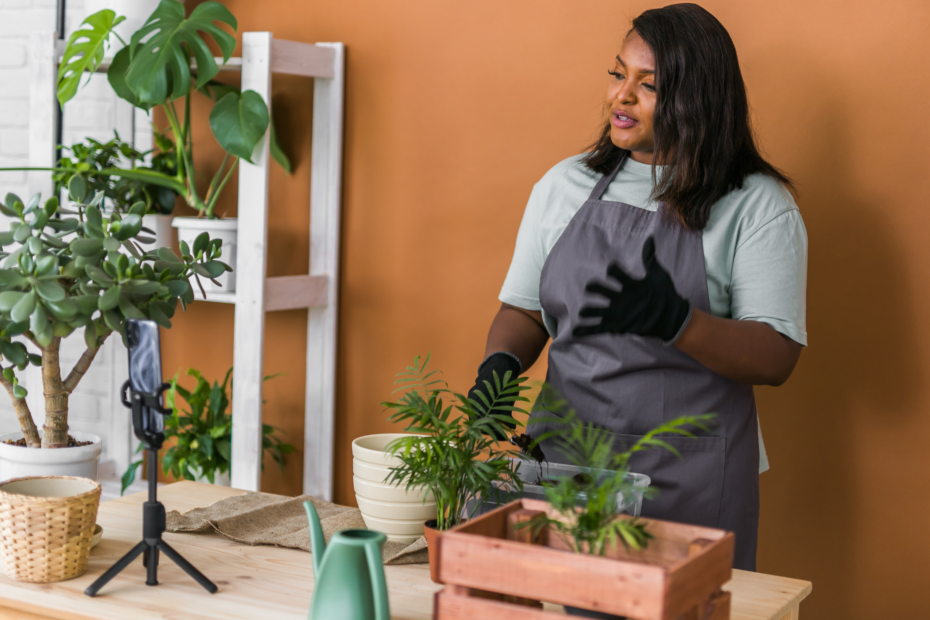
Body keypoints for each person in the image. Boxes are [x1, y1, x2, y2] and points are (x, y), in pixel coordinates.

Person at [467, 3, 807, 571]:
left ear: (699, 98)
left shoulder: (757, 205)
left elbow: (776, 355)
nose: (620, 97)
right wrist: (498, 366)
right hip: (566, 469)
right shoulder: (565, 185)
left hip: (689, 480)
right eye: (617, 73)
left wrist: (680, 322)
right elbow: (525, 311)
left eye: (647, 85)